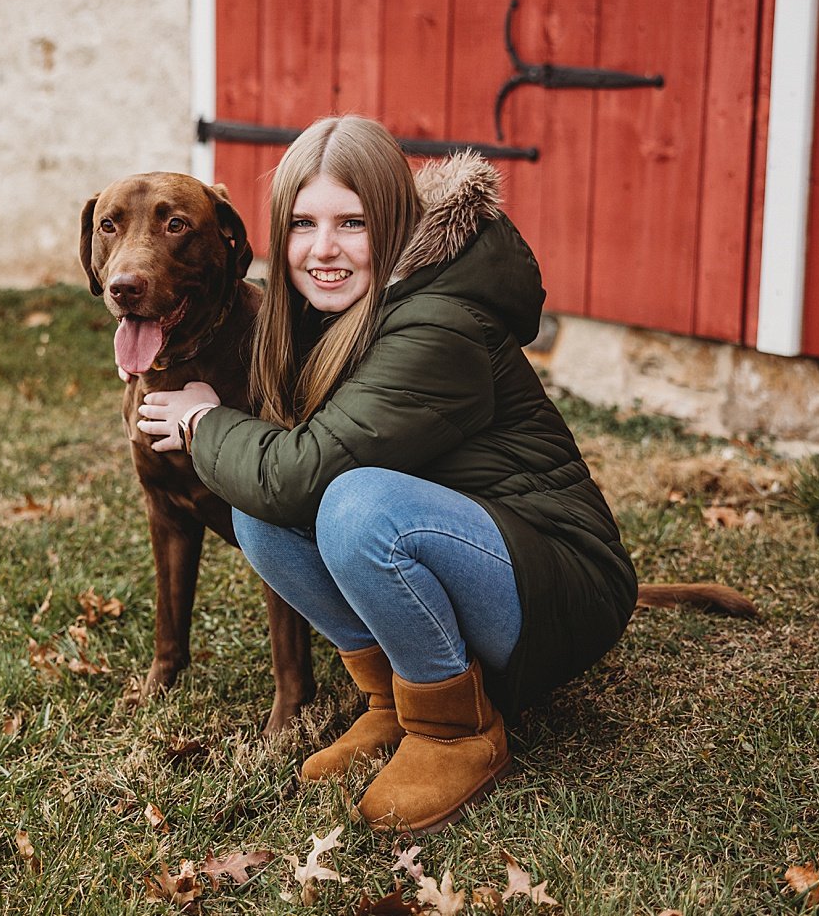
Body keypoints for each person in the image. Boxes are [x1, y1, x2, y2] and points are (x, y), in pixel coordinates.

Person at [136, 115, 637, 834]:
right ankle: (392, 702)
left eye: (352, 222)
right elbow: (276, 491)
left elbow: (301, 475)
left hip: (560, 588)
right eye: (303, 223)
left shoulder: (439, 321)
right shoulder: (324, 311)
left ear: (397, 220)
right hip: (472, 554)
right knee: (259, 513)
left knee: (351, 504)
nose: (323, 249)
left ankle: (454, 728)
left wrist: (202, 421)